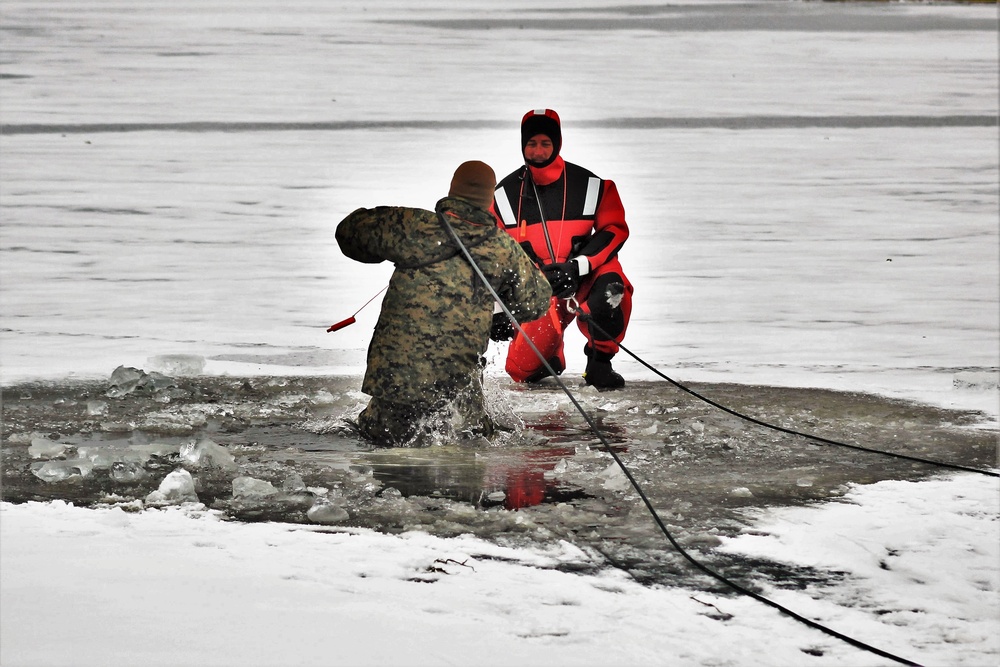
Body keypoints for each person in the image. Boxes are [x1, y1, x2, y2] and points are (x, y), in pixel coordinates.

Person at [336, 161, 552, 446]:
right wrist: (502, 302)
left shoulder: (412, 226)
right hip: (459, 398)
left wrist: (390, 218)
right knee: (468, 440)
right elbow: (537, 302)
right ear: (489, 200)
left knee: (382, 440)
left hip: (395, 385)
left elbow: (348, 233)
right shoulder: (504, 249)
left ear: (453, 190)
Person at [491, 108, 633, 390]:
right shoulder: (503, 195)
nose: (538, 150)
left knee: (612, 287)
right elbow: (489, 256)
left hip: (580, 280)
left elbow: (615, 230)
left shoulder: (592, 186)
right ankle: (548, 357)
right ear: (522, 145)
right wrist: (497, 310)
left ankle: (599, 363)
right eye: (531, 143)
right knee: (524, 371)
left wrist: (576, 267)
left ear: (557, 144)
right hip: (536, 293)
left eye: (545, 143)